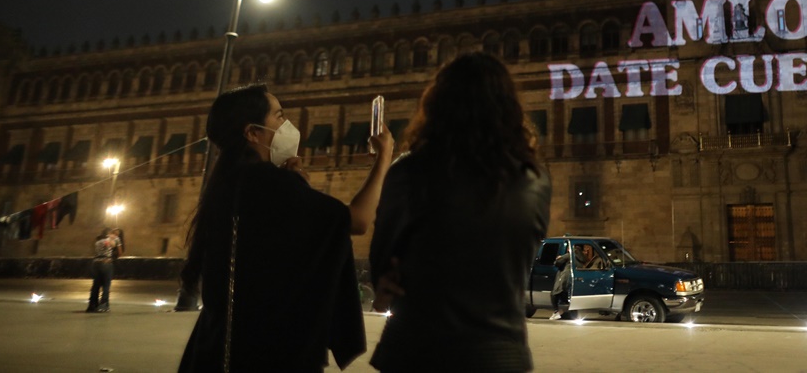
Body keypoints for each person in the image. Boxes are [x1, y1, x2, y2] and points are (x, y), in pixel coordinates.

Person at [177, 83, 393, 373]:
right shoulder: (273, 185)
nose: (287, 125)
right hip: (268, 353)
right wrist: (383, 161)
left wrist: (296, 187)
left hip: (216, 348)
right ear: (252, 132)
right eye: (279, 116)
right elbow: (356, 220)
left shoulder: (228, 185)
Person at [368, 52, 551, 372]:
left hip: (416, 351)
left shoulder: (409, 172)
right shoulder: (535, 179)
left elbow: (382, 265)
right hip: (500, 356)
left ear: (437, 104)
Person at [86, 227, 121, 312]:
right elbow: (119, 252)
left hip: (95, 263)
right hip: (106, 262)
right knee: (106, 285)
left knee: (96, 285)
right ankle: (104, 305)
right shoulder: (113, 238)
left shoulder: (97, 241)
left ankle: (92, 305)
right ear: (109, 233)